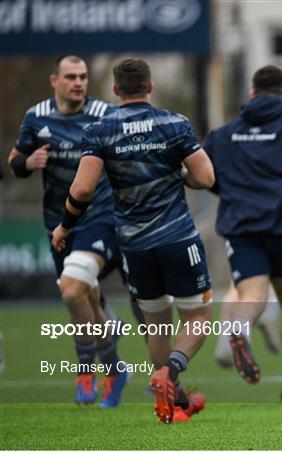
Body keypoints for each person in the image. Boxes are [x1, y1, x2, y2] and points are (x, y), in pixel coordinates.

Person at [52, 57, 214, 424]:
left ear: (115, 90)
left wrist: (64, 226)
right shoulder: (174, 123)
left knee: (156, 322)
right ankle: (170, 372)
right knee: (199, 316)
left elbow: (82, 189)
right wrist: (178, 178)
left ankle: (174, 404)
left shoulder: (100, 129)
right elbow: (205, 177)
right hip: (177, 237)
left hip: (133, 246)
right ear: (150, 87)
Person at [8, 55, 128, 408]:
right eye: (71, 77)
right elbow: (15, 159)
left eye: (83, 76)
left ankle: (85, 373)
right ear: (54, 81)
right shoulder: (36, 116)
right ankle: (115, 368)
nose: (78, 82)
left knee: (73, 289)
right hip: (57, 223)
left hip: (100, 217)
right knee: (85, 298)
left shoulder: (105, 115)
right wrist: (27, 163)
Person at [205, 65, 282, 402]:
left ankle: (239, 330)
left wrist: (233, 197)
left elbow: (206, 175)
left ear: (252, 94)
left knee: (252, 294)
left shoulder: (224, 133)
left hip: (242, 228)